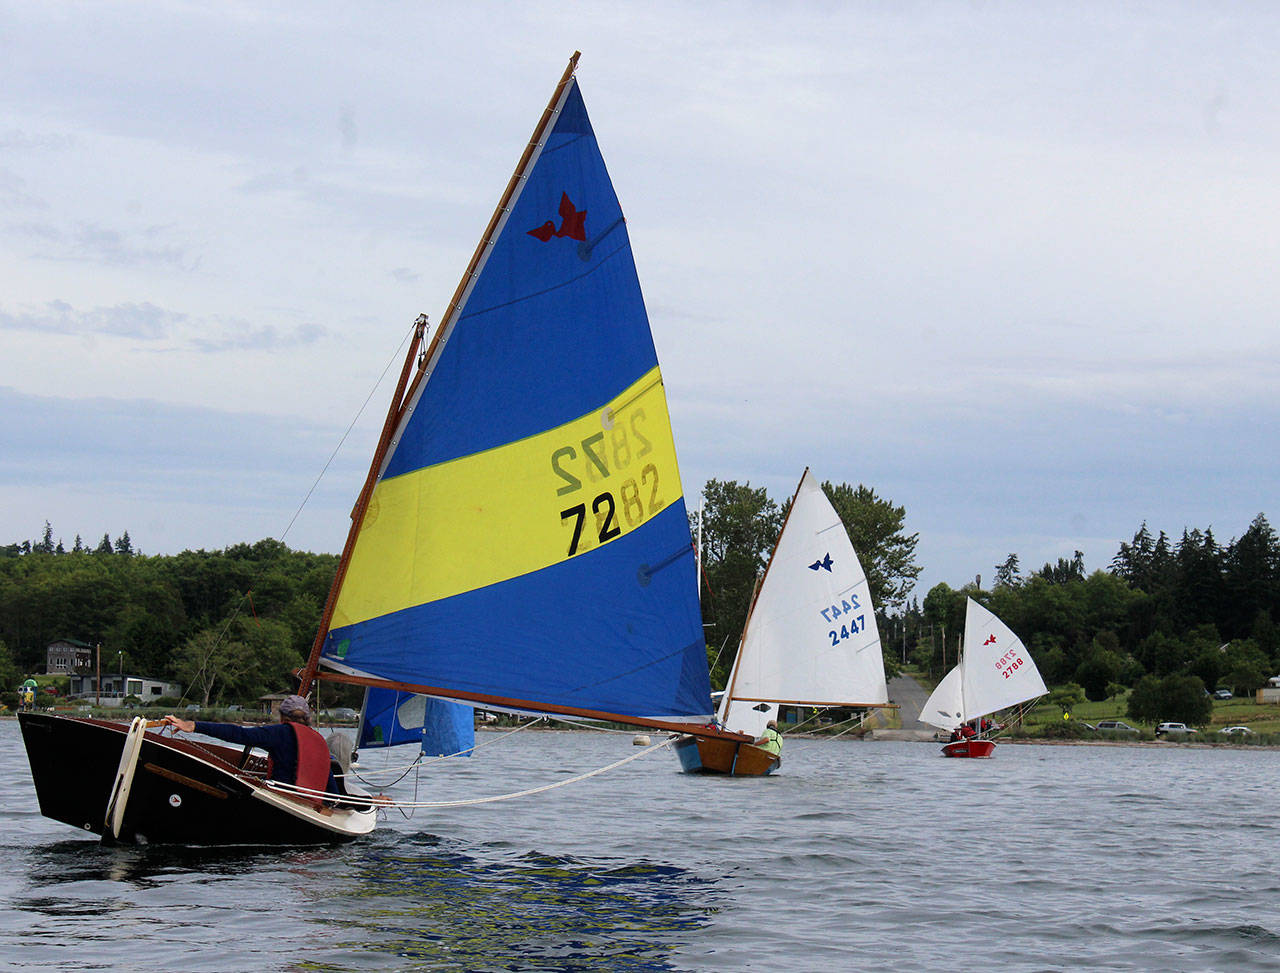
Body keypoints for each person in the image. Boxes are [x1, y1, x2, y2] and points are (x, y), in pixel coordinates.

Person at [163, 694, 340, 803]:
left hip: (282, 798)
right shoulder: (320, 741)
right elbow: (329, 782)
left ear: (282, 717)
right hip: (309, 805)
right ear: (307, 718)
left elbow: (238, 734)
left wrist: (193, 726)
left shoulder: (278, 733)